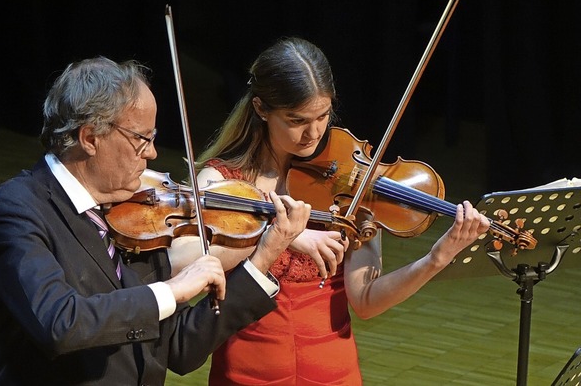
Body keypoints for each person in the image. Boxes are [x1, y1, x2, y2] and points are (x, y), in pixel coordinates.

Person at [0, 56, 311, 385]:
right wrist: (171, 289)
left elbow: (179, 349)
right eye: (141, 139)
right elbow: (60, 324)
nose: (152, 152)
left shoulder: (136, 217)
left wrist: (265, 255)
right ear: (90, 138)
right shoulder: (16, 211)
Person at [186, 37, 490, 385]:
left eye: (322, 116)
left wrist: (437, 258)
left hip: (334, 372)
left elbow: (366, 300)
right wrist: (282, 236)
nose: (312, 133)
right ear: (261, 108)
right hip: (246, 372)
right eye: (296, 119)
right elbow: (191, 266)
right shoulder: (221, 182)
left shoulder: (348, 183)